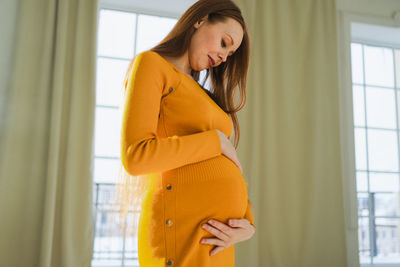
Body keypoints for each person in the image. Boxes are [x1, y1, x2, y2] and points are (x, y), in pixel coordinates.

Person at [117, 0, 256, 266]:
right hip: (179, 233)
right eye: (225, 43)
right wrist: (216, 141)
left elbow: (227, 165)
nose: (224, 57)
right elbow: (136, 156)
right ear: (200, 20)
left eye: (230, 54)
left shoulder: (202, 94)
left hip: (218, 240)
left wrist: (247, 223)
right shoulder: (151, 64)